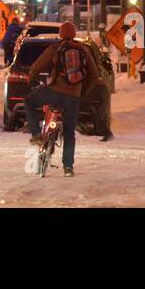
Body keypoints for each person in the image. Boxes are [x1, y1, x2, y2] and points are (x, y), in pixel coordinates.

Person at [23, 21, 100, 177]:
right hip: (73, 97)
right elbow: (94, 76)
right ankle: (68, 168)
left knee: (29, 101)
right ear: (74, 33)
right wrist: (82, 91)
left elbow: (37, 66)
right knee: (69, 132)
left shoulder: (55, 49)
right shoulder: (83, 50)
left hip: (54, 91)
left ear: (61, 34)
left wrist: (31, 79)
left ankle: (37, 135)